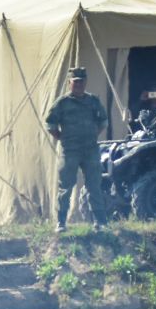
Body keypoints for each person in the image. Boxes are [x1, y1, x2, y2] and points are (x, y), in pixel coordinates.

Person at [45, 66, 109, 231]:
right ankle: (61, 222)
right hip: (70, 151)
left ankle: (100, 222)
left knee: (94, 185)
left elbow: (103, 121)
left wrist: (93, 135)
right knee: (65, 186)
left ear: (86, 82)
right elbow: (50, 124)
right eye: (75, 82)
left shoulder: (93, 101)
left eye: (81, 82)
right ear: (69, 83)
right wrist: (62, 138)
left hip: (90, 150)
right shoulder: (62, 103)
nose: (79, 85)